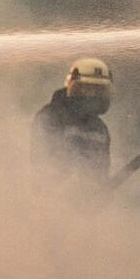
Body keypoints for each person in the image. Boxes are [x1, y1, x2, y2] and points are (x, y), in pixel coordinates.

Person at [31, 57, 113, 194]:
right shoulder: (51, 117)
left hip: (89, 203)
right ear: (72, 87)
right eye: (87, 89)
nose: (92, 96)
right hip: (53, 199)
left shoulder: (100, 128)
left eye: (98, 91)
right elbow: (42, 163)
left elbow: (102, 171)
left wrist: (101, 191)